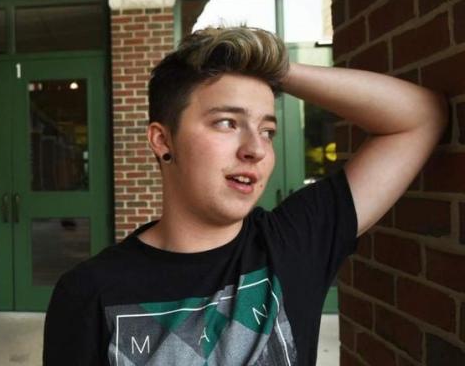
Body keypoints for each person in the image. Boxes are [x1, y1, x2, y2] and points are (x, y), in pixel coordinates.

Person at [42, 26, 448, 365]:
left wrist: (278, 69)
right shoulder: (89, 293)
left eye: (267, 130)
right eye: (226, 123)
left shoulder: (294, 242)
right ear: (163, 141)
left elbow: (419, 117)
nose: (255, 148)